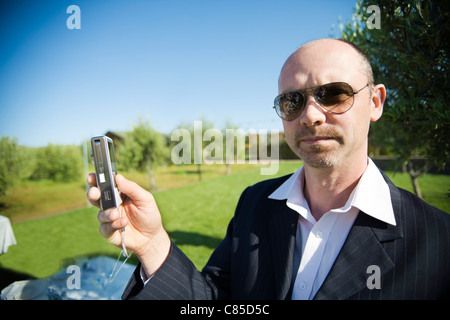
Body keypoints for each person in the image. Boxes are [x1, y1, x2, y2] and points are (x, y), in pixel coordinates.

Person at [87, 38, 450, 300]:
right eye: (292, 101)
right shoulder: (254, 204)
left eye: (334, 94)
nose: (310, 114)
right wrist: (153, 245)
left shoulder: (438, 240)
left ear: (375, 102)